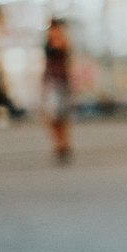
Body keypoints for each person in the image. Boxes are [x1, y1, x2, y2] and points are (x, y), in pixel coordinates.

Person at [42, 21, 74, 163]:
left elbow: (66, 57)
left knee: (60, 115)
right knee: (51, 116)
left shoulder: (62, 42)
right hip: (50, 81)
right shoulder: (48, 43)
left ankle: (63, 144)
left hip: (61, 82)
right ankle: (58, 144)